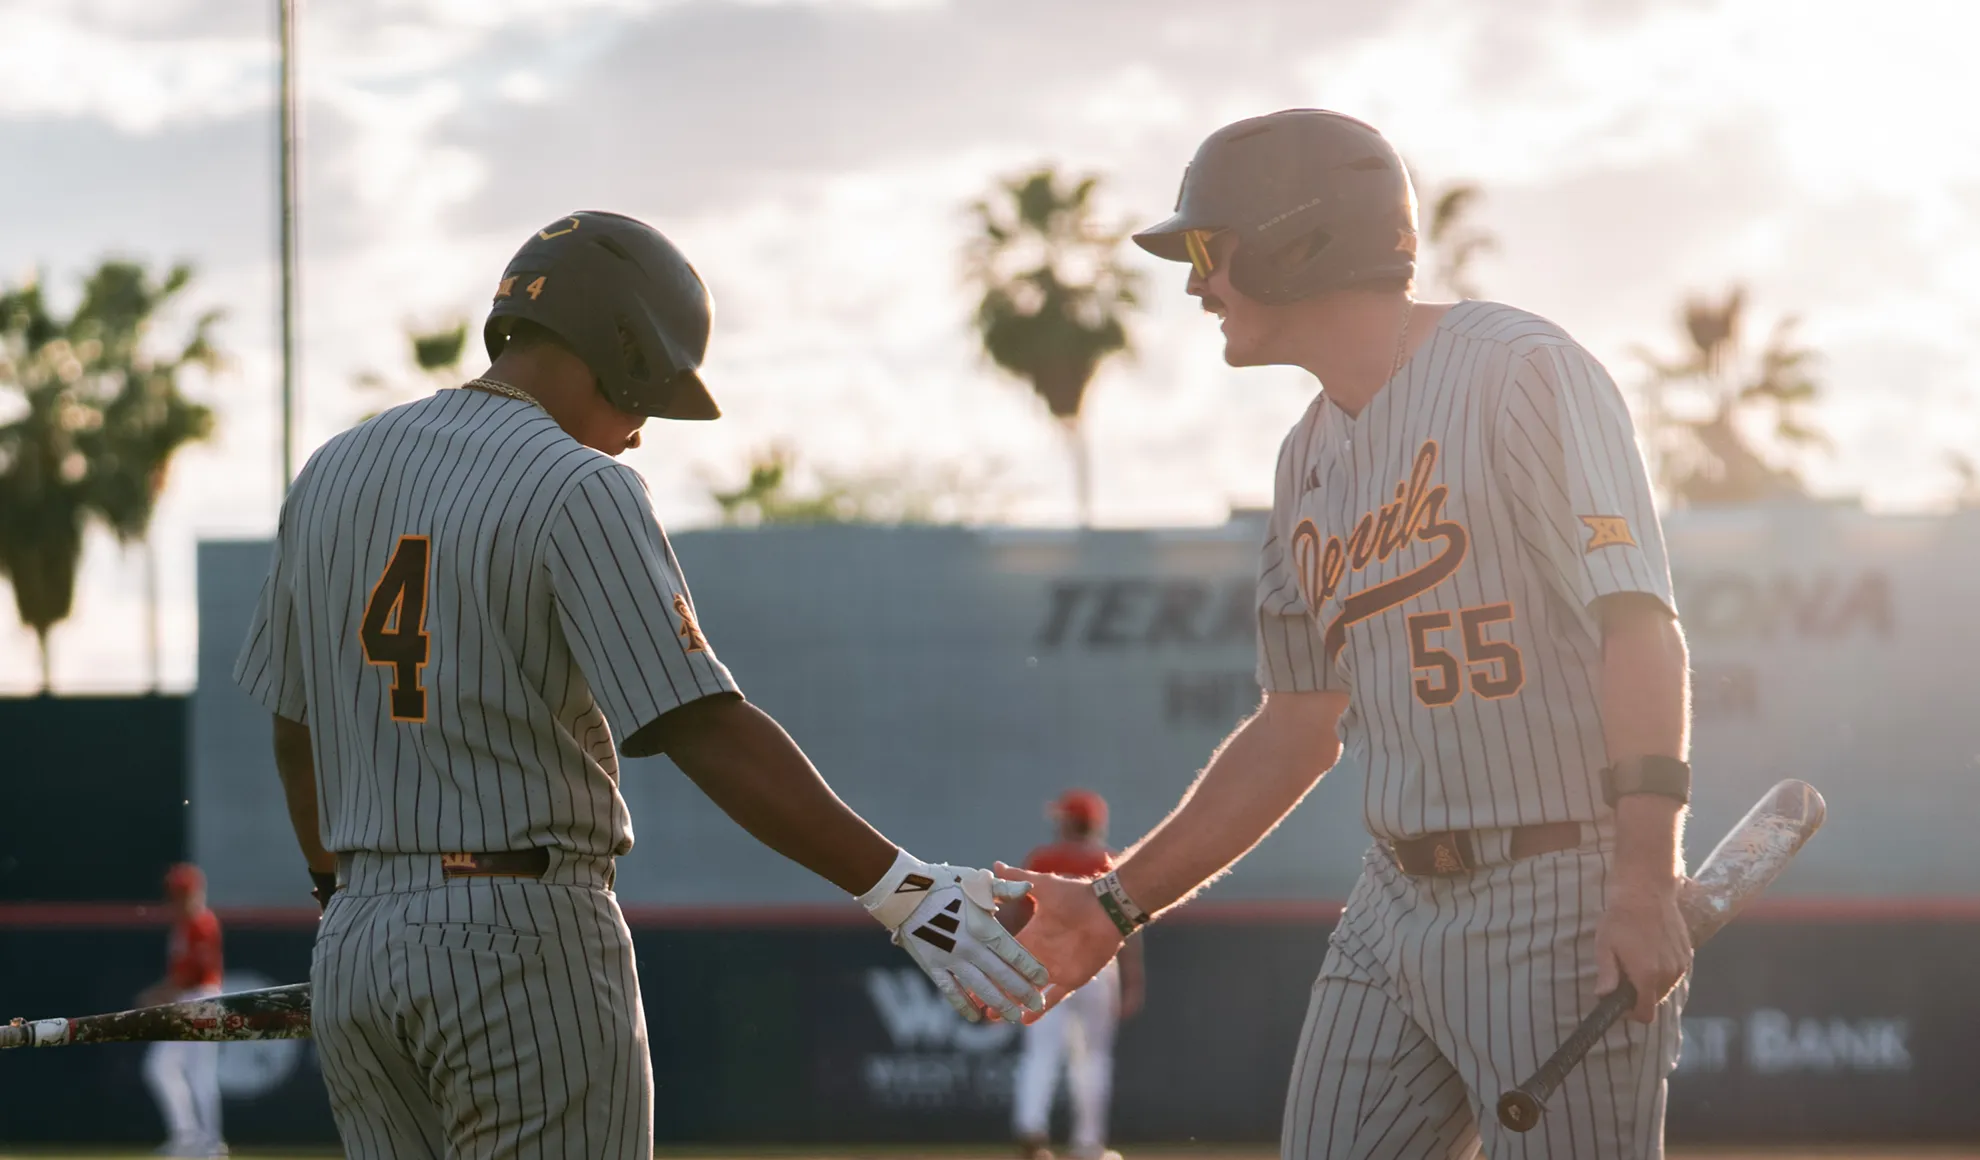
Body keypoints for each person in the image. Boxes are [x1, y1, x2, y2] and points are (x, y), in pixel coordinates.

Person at [233, 210, 1045, 1159]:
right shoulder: (578, 484)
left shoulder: (330, 470)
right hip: (519, 934)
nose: (640, 432)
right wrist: (902, 889)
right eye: (646, 395)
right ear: (615, 346)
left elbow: (296, 730)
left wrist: (346, 905)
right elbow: (699, 725)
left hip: (358, 939)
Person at [1002, 110, 1693, 1159]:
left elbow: (1638, 623)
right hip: (1391, 901)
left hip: (1562, 885)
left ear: (1298, 239)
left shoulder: (1523, 371)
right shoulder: (1305, 459)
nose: (1196, 283)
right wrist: (1114, 903)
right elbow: (1295, 730)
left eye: (1209, 248)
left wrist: (1644, 876)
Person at [1010, 789, 1142, 1160]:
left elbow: (1017, 915)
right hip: (1100, 965)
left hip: (1046, 963)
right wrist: (1134, 979)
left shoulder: (1043, 858)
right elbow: (1129, 928)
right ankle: (1088, 1145)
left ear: (1070, 821)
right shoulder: (1111, 861)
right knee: (1094, 1058)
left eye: (1061, 817)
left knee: (1042, 1053)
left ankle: (1031, 1133)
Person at [138, 863, 226, 1158]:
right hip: (188, 1000)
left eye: (181, 894)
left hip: (201, 999)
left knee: (195, 1073)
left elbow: (193, 974)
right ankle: (192, 1138)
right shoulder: (185, 925)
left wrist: (157, 994)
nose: (175, 901)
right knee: (167, 1069)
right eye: (174, 895)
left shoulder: (201, 922)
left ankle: (205, 1142)